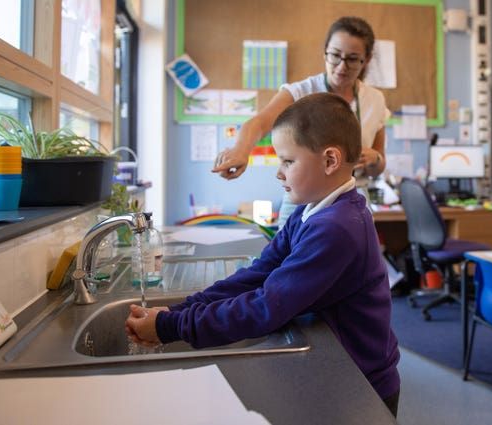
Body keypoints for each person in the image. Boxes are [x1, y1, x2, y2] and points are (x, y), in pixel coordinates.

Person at [126, 93, 401, 416]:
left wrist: (171, 327)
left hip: (359, 384)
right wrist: (181, 309)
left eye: (287, 161)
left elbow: (266, 306)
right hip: (335, 369)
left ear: (329, 161)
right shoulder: (310, 211)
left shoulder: (337, 228)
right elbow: (260, 272)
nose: (279, 173)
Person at [211, 16, 390, 227]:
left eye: (352, 59)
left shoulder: (375, 100)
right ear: (325, 52)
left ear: (366, 59)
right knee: (289, 255)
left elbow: (380, 164)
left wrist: (375, 160)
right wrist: (240, 150)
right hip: (303, 200)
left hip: (352, 199)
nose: (342, 66)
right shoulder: (301, 91)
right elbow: (259, 123)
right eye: (334, 55)